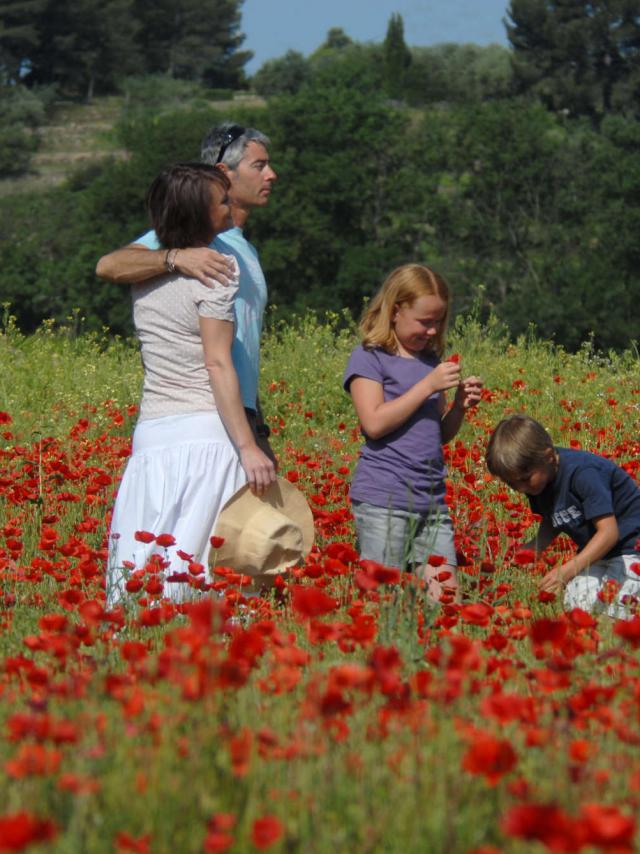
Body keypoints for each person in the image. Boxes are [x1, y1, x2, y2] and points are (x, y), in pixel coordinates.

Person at [107, 162, 276, 605]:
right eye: (222, 201)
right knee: (207, 566)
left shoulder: (145, 274)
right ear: (201, 215)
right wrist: (247, 446)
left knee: (148, 563)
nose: (229, 205)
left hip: (153, 436)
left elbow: (113, 265)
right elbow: (218, 364)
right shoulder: (216, 270)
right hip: (207, 434)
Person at [95, 122, 277, 463]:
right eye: (259, 165)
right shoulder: (195, 239)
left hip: (241, 420)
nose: (272, 175)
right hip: (204, 419)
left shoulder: (247, 253)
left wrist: (258, 430)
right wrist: (174, 257)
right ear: (224, 173)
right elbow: (108, 265)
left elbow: (242, 350)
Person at [343, 264, 483, 603]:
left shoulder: (430, 362)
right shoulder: (369, 357)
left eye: (438, 321)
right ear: (395, 311)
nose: (432, 330)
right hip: (384, 498)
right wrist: (427, 386)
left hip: (431, 500)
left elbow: (438, 435)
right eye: (424, 321)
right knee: (381, 600)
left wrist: (460, 407)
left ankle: (436, 655)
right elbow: (373, 424)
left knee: (446, 602)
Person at [485, 414, 640, 618]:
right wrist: (536, 546)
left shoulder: (583, 474)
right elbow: (553, 517)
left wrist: (566, 571)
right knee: (577, 601)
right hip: (599, 553)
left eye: (524, 479)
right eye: (512, 484)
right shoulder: (539, 482)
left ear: (549, 457)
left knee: (617, 607)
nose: (520, 488)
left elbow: (609, 533)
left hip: (631, 549)